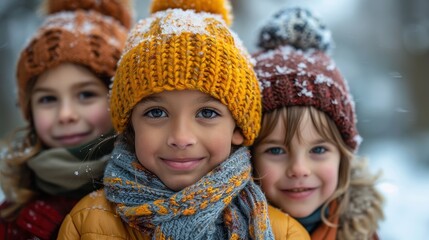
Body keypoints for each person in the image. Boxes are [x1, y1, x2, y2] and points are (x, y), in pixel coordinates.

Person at [58, 0, 310, 239]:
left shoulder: (284, 233)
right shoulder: (86, 223)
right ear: (130, 125)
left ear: (239, 128)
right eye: (156, 112)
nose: (181, 138)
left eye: (207, 113)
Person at [0, 0, 131, 239]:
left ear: (120, 100)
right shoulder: (11, 218)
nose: (65, 115)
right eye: (48, 99)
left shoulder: (151, 204)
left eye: (86, 94)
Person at [250, 8, 384, 240]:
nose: (299, 169)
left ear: (343, 155)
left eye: (319, 149)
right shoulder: (229, 230)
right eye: (275, 150)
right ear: (248, 156)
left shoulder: (360, 232)